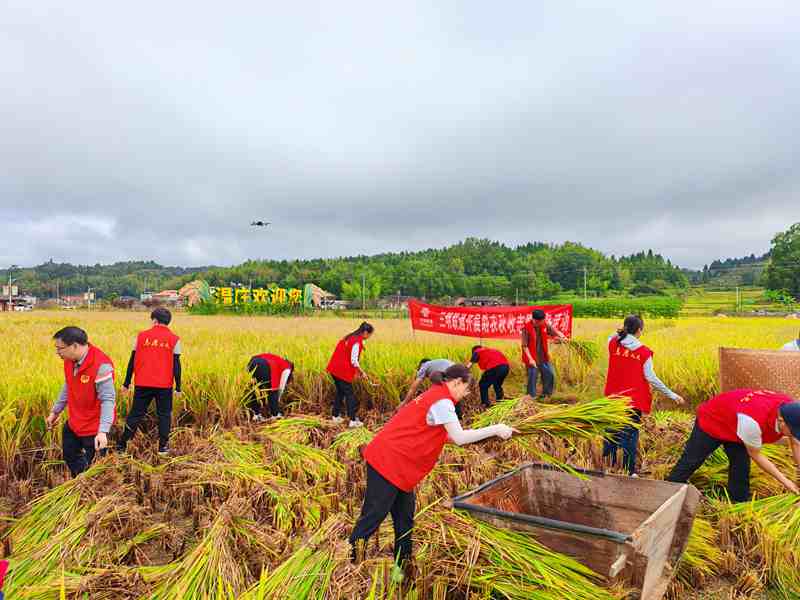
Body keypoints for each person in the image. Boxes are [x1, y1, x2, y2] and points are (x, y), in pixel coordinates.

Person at [348, 364, 515, 571]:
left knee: (404, 520)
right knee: (374, 515)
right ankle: (349, 562)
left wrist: (488, 436)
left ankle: (402, 569)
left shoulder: (436, 394)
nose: (466, 394)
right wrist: (497, 428)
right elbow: (459, 437)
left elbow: (445, 435)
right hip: (387, 461)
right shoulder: (442, 401)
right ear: (457, 383)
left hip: (400, 465)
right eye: (466, 389)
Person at [666, 389, 800, 501]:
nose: (794, 433)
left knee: (741, 465)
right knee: (691, 460)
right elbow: (756, 455)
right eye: (793, 430)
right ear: (781, 421)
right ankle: (669, 490)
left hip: (736, 420)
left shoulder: (790, 410)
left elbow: (795, 442)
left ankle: (738, 501)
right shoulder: (752, 423)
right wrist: (787, 482)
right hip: (713, 419)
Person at [602, 315, 684, 475]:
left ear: (625, 328)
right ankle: (629, 471)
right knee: (630, 434)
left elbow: (611, 335)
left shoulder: (613, 343)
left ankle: (608, 466)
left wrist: (621, 331)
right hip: (632, 401)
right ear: (639, 330)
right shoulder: (644, 352)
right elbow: (651, 378)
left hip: (613, 398)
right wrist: (672, 394)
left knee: (612, 430)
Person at [45, 327, 116, 477]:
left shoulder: (101, 365)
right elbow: (68, 385)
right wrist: (55, 411)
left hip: (94, 428)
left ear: (75, 346)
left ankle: (89, 486)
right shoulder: (69, 361)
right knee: (70, 456)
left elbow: (108, 400)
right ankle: (80, 481)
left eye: (60, 348)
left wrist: (102, 431)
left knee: (95, 471)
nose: (57, 352)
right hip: (75, 422)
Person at [117, 308, 181, 456]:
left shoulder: (141, 336)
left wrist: (126, 383)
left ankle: (122, 446)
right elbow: (177, 365)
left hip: (142, 383)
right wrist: (178, 387)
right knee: (164, 414)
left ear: (154, 320)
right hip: (164, 385)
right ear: (168, 321)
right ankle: (163, 447)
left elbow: (132, 361)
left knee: (135, 414)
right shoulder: (174, 339)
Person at [326, 322, 374, 428]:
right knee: (350, 395)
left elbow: (347, 356)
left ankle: (335, 416)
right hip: (341, 371)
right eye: (370, 335)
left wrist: (356, 372)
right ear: (365, 332)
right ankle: (352, 421)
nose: (369, 337)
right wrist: (362, 372)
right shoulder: (356, 342)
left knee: (340, 392)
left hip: (334, 369)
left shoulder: (350, 337)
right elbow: (354, 361)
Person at [521, 308, 566, 399]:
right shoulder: (526, 328)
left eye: (543, 321)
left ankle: (546, 395)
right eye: (539, 321)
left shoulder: (544, 324)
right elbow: (524, 346)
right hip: (532, 358)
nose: (541, 323)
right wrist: (530, 359)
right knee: (532, 377)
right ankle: (530, 397)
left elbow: (555, 332)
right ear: (534, 320)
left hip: (543, 356)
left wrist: (563, 337)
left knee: (550, 374)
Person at [246, 352, 294, 422]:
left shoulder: (278, 360)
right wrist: (277, 401)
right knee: (273, 390)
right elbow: (281, 388)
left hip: (252, 362)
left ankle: (256, 415)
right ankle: (275, 415)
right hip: (264, 365)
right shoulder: (287, 367)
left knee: (255, 390)